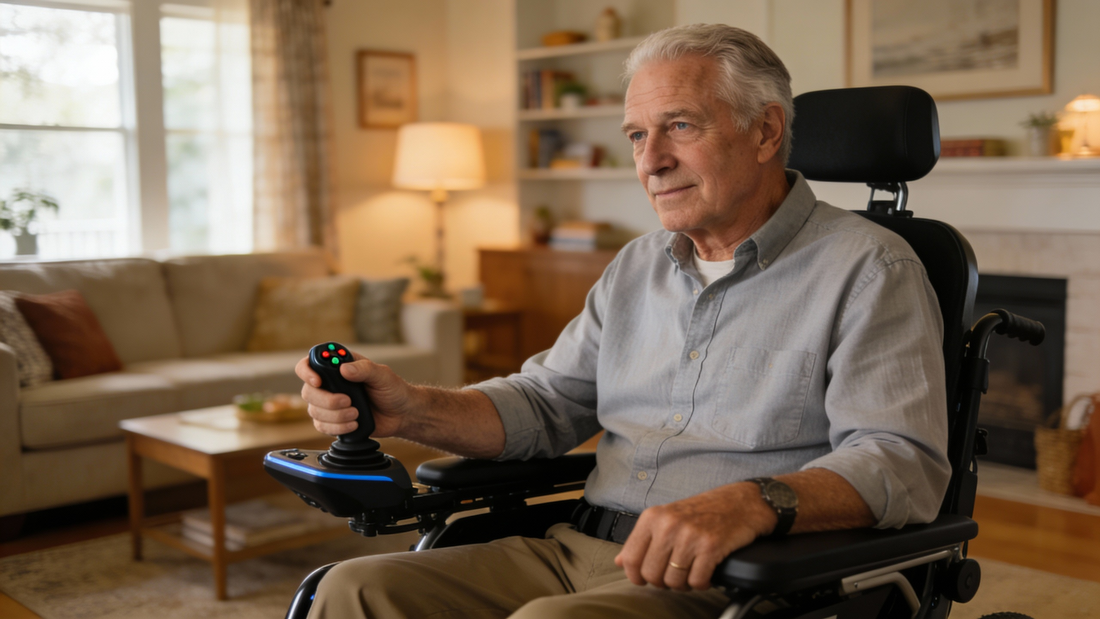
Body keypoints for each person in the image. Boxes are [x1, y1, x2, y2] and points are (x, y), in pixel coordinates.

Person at [296, 23, 950, 619]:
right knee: (352, 588)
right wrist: (409, 409)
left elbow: (902, 463)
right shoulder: (639, 264)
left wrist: (750, 501)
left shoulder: (869, 268)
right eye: (638, 135)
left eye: (680, 126)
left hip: (734, 575)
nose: (650, 160)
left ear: (765, 132)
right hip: (575, 547)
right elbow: (546, 403)